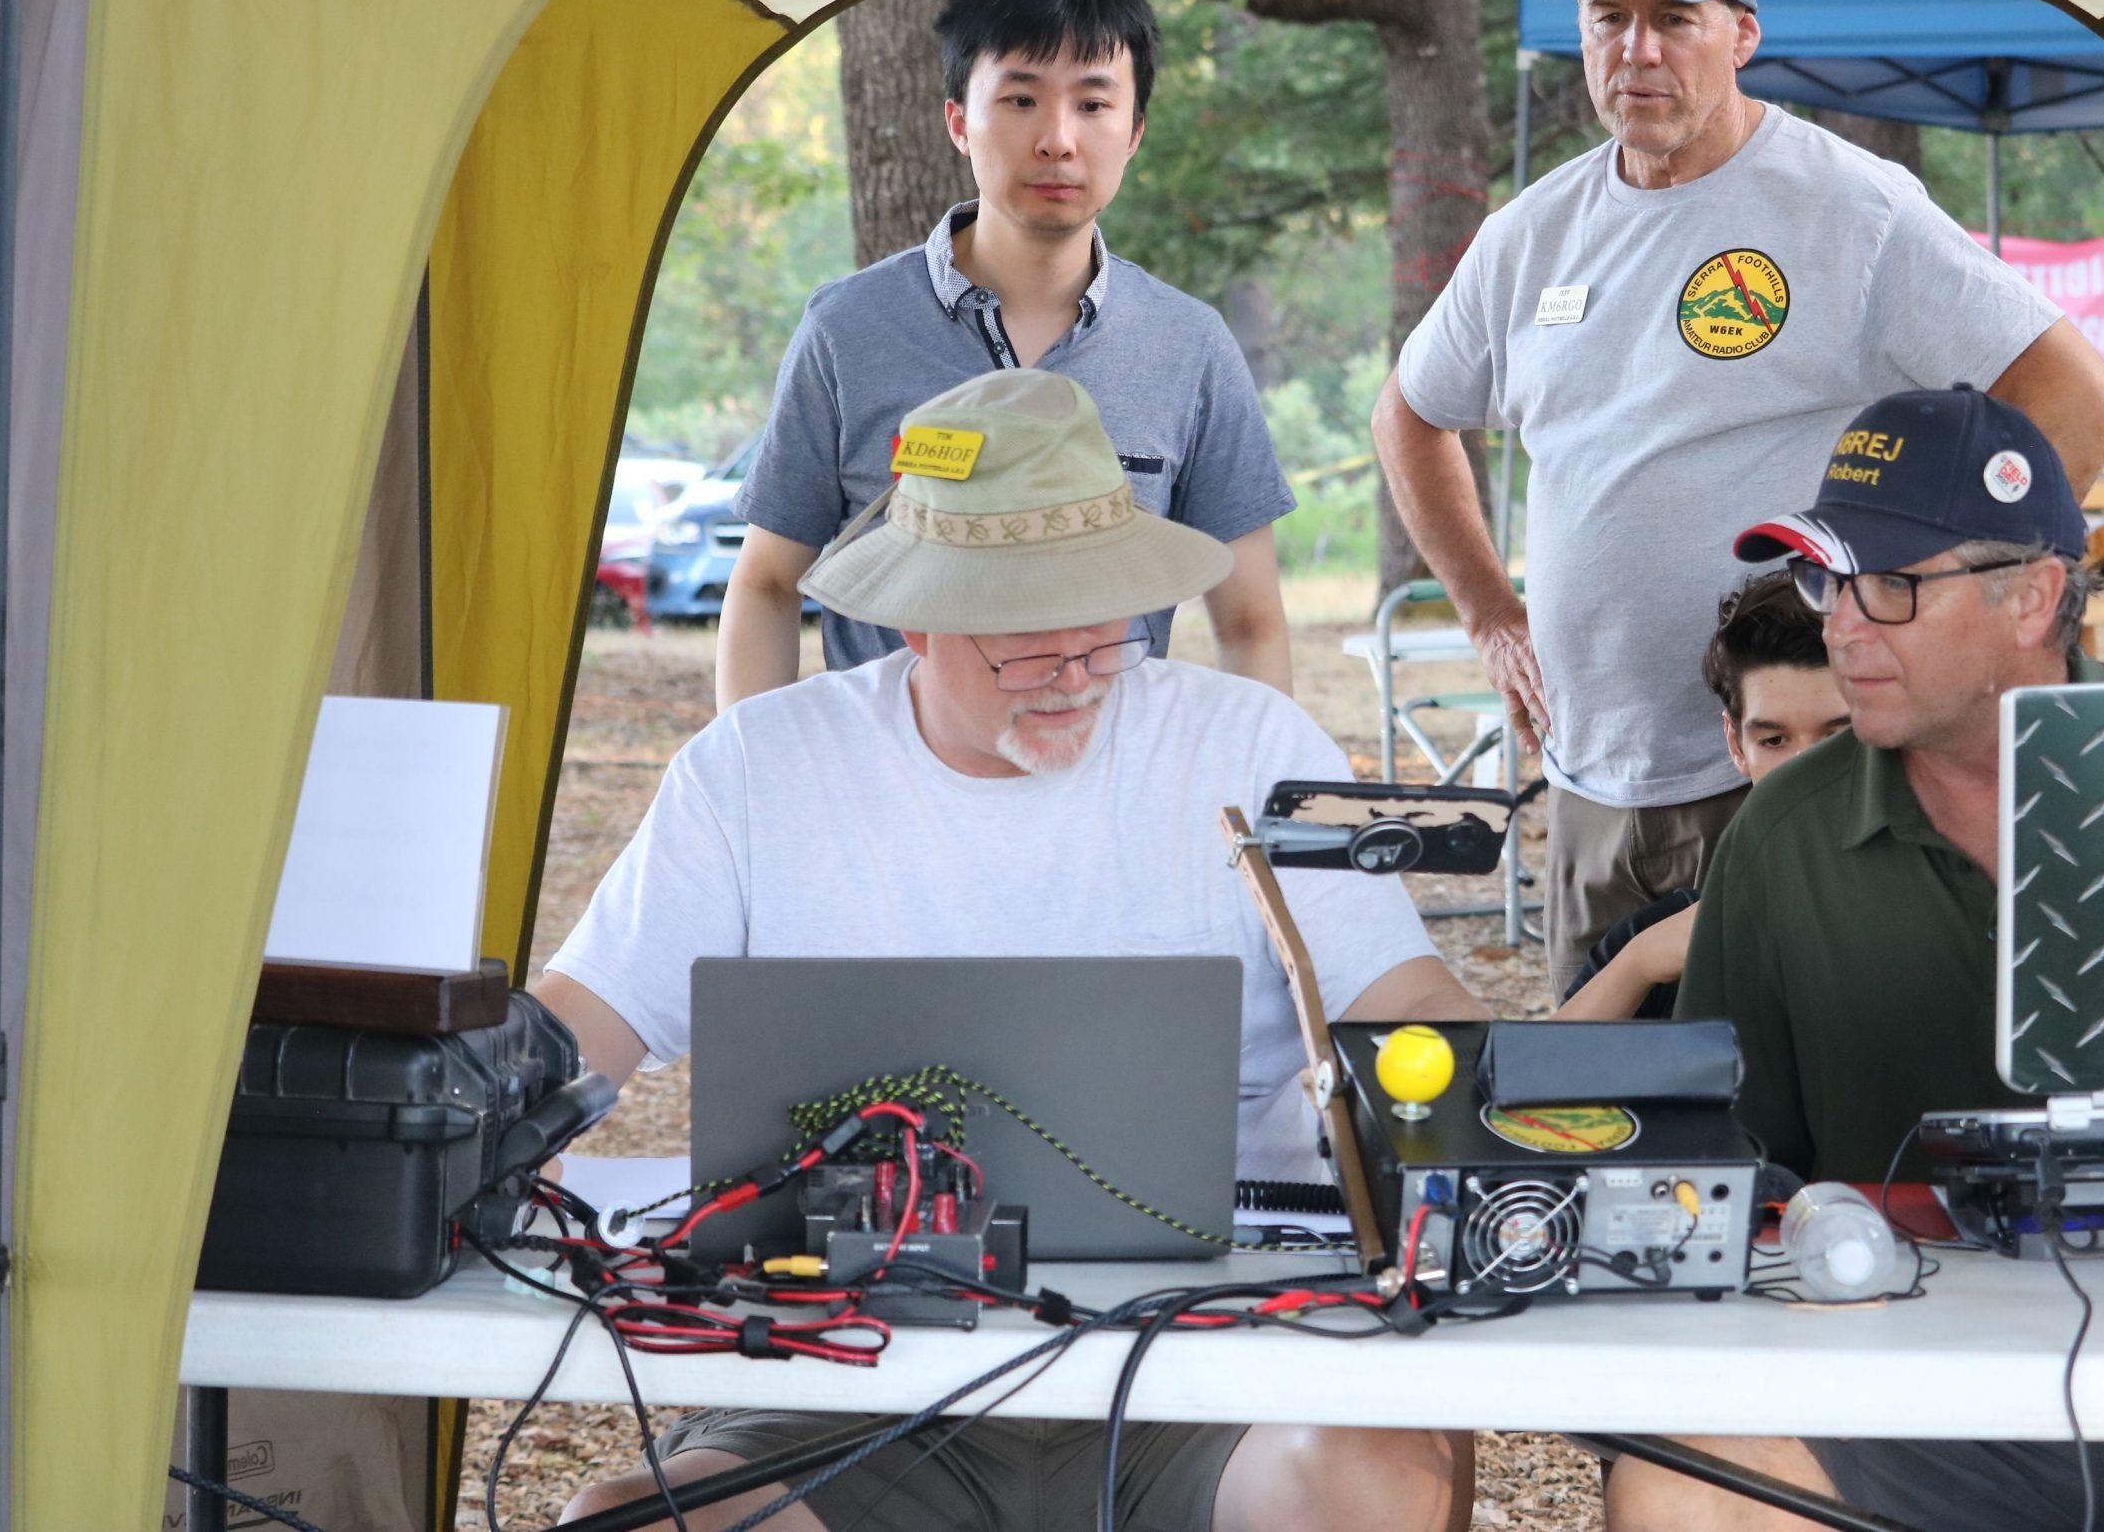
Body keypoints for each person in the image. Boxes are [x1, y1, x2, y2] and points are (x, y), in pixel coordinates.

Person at [541, 369, 1486, 1532]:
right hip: (848, 1369)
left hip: (1218, 1356)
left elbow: (1405, 1004)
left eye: (1107, 638)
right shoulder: (759, 769)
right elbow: (580, 1028)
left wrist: (1505, 1097)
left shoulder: (1246, 747)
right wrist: (457, 1126)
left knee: (1376, 1484)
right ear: (915, 621)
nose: (1079, 680)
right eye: (1031, 653)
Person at [1605, 387, 2104, 1532]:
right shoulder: (1783, 836)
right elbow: (1732, 1160)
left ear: (2032, 596)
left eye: (1891, 586)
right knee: (1679, 1495)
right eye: (1828, 582)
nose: (1843, 628)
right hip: (1911, 1383)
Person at [1372, 0, 2104, 1003]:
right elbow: (1408, 415)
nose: (1636, 51)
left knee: (1791, 1090)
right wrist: (1491, 615)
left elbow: (2080, 403)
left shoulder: (1849, 209)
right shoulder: (1530, 236)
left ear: (1743, 34)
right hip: (1593, 778)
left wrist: (1926, 612)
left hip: (1793, 773)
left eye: (1674, 19)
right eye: (1607, 17)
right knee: (1600, 1088)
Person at [717, 0, 1296, 711]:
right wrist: (754, 763)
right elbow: (768, 583)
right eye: (1021, 99)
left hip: (1105, 765)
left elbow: (1250, 623)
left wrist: (1254, 774)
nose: (1057, 139)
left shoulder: (1188, 346)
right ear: (959, 121)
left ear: (1135, 132)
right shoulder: (848, 329)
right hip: (890, 773)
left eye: (1093, 104)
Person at [1551, 569, 1845, 1023]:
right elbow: (1544, 1063)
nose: (1803, 769)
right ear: (1736, 746)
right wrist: (1637, 965)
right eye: (1773, 741)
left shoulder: (1949, 901)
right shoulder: (1659, 936)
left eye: (1838, 737)